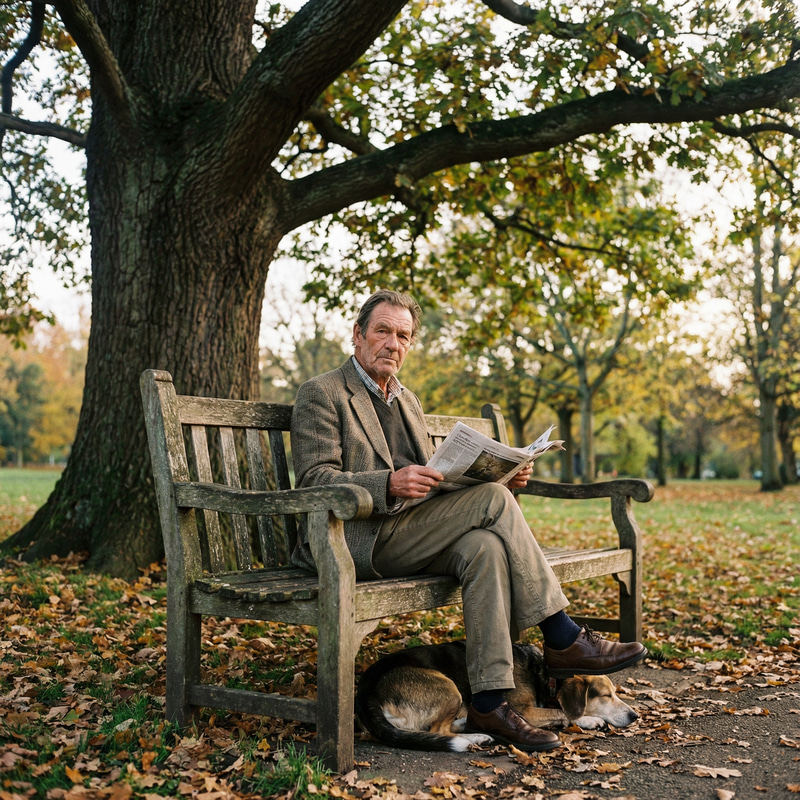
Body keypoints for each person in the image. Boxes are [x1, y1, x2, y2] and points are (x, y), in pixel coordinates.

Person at [290, 289, 646, 752]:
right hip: (355, 539)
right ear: (358, 335)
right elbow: (316, 481)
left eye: (403, 336)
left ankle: (490, 700)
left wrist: (503, 474)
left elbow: (440, 479)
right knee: (493, 504)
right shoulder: (323, 393)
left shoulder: (408, 402)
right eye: (382, 331)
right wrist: (388, 483)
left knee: (488, 547)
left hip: (413, 530)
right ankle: (563, 634)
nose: (392, 344)